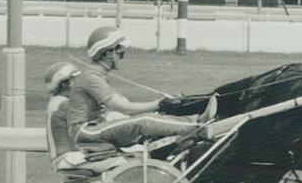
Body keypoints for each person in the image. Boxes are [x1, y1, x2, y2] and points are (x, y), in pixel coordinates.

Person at [66, 25, 208, 150]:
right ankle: (199, 125)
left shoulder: (97, 75)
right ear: (109, 53)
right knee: (144, 121)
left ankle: (192, 125)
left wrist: (161, 106)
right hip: (86, 131)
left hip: (93, 126)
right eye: (121, 50)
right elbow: (124, 107)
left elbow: (125, 104)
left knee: (151, 118)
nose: (124, 55)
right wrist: (159, 103)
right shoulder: (91, 77)